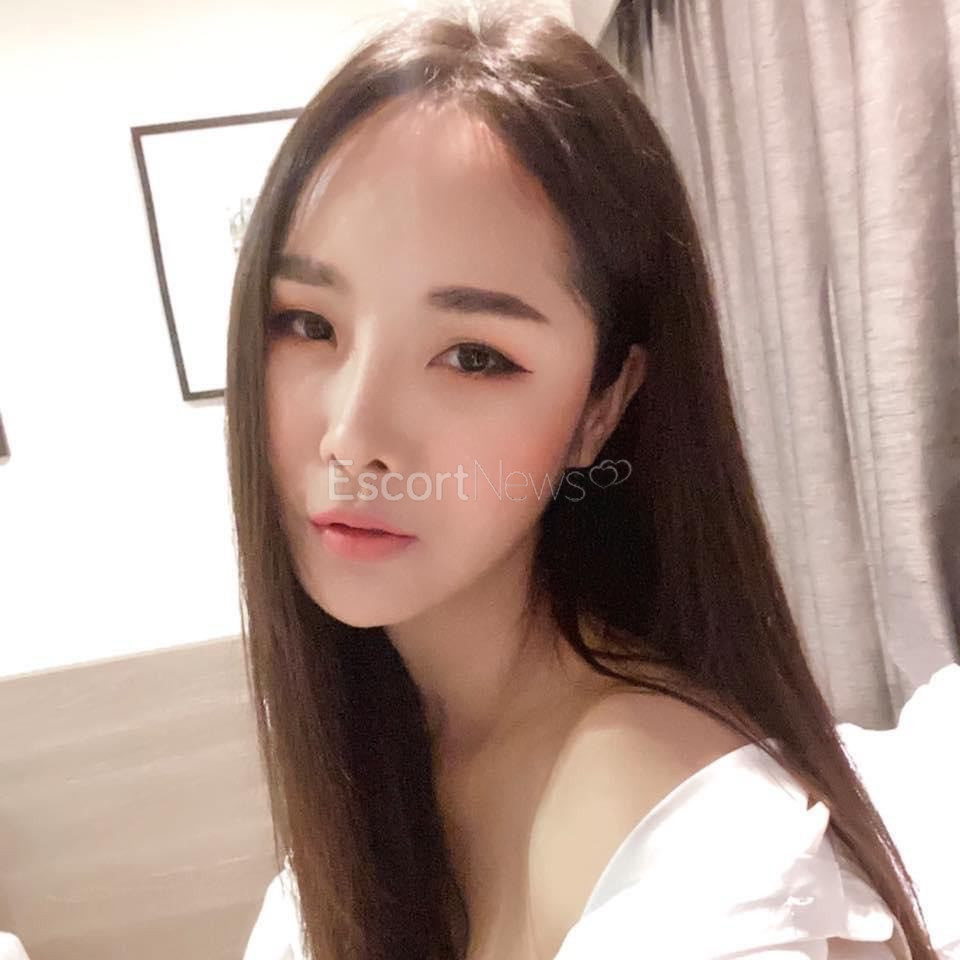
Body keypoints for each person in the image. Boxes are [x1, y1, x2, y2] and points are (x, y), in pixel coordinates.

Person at [226, 5, 943, 959]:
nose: (354, 439)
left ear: (601, 408)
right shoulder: (393, 755)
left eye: (474, 355)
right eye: (308, 325)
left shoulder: (697, 862)